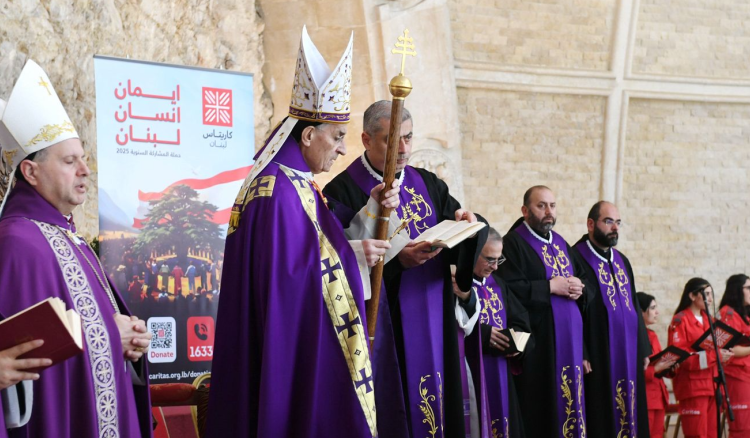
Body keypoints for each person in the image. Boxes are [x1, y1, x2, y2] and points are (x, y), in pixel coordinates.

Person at [206, 27, 398, 438]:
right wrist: (353, 257)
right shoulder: (280, 191)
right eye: (338, 137)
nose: (342, 149)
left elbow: (305, 257)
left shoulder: (291, 182)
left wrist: (369, 214)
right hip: (285, 346)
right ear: (308, 135)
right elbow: (292, 282)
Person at [0, 59, 152, 436]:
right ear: (31, 172)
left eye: (83, 158)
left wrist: (130, 341)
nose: (85, 169)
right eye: (70, 161)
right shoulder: (18, 244)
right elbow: (25, 360)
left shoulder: (72, 238)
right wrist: (109, 337)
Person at [324, 100, 485, 438]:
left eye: (408, 138)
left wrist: (468, 225)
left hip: (436, 313)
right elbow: (341, 268)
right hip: (389, 323)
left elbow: (459, 233)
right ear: (367, 140)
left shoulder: (428, 182)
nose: (403, 149)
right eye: (391, 139)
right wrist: (398, 263)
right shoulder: (341, 191)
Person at [496, 185, 588, 438]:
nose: (549, 211)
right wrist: (549, 287)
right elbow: (507, 289)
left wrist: (579, 287)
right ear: (525, 210)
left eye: (552, 205)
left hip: (570, 343)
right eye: (541, 206)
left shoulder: (562, 243)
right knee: (543, 409)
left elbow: (584, 281)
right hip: (540, 343)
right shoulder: (512, 243)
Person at [571, 201, 651, 437]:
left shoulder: (622, 260)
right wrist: (581, 350)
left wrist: (643, 347)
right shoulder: (576, 258)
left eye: (618, 223)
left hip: (629, 351)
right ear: (590, 224)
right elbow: (572, 309)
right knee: (602, 413)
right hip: (598, 351)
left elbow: (633, 304)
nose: (615, 228)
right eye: (608, 222)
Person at [464, 227, 532, 438]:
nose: (495, 267)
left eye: (498, 259)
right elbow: (449, 327)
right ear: (473, 253)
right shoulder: (457, 286)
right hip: (472, 372)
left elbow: (521, 320)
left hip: (501, 371)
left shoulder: (499, 285)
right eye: (489, 260)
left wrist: (517, 343)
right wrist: (484, 334)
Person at [669, 277, 733, 438]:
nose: (710, 299)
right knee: (697, 434)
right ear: (692, 296)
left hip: (712, 385)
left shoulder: (710, 320)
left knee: (713, 434)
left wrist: (724, 356)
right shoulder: (680, 320)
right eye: (706, 294)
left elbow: (713, 353)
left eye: (711, 294)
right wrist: (715, 355)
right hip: (693, 388)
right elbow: (682, 359)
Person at [637, 292, 675, 438]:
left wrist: (671, 366)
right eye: (652, 308)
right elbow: (631, 370)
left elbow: (657, 361)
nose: (657, 312)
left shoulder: (652, 335)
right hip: (645, 397)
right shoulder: (633, 337)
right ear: (641, 311)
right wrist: (656, 369)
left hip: (658, 396)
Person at [718, 274, 750, 438]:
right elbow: (730, 350)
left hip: (746, 374)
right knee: (742, 427)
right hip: (736, 376)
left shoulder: (745, 314)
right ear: (737, 289)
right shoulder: (727, 314)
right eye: (748, 288)